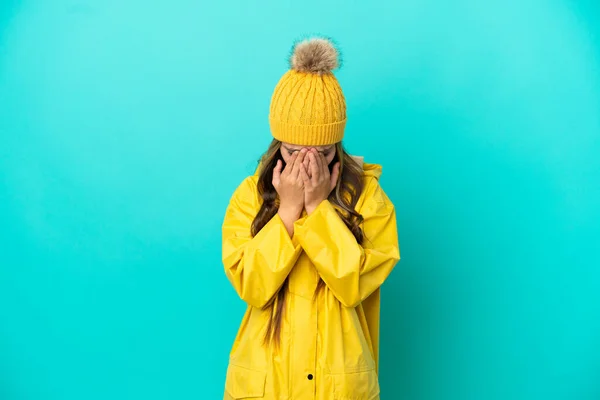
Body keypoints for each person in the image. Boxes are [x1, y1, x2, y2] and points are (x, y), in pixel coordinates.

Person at [221, 37, 400, 400]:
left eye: (320, 152)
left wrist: (319, 209)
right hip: (265, 382)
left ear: (337, 147)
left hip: (339, 384)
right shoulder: (249, 196)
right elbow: (252, 286)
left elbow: (354, 283)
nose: (306, 164)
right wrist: (287, 211)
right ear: (276, 146)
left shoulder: (368, 198)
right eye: (293, 151)